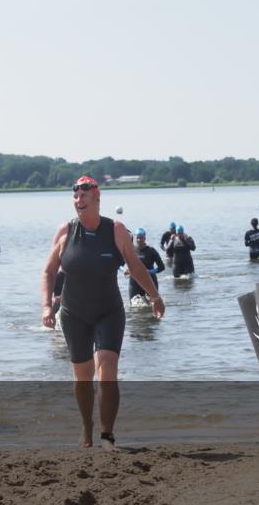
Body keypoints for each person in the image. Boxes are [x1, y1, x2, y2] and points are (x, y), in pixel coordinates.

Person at [40, 177, 165, 449]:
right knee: (82, 377)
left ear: (97, 198)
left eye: (84, 196)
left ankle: (107, 434)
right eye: (75, 198)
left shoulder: (116, 230)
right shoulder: (65, 232)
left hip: (108, 311)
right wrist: (47, 306)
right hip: (74, 314)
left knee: (107, 373)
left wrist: (155, 297)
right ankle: (87, 427)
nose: (78, 201)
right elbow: (49, 272)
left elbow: (136, 267)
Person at [124, 228, 165, 303]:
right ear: (135, 238)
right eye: (137, 237)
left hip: (149, 281)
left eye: (141, 237)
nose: (139, 240)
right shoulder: (131, 250)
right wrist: (126, 270)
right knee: (134, 306)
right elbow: (120, 263)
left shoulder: (151, 251)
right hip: (134, 282)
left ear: (145, 238)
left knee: (152, 305)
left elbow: (162, 267)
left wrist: (149, 272)